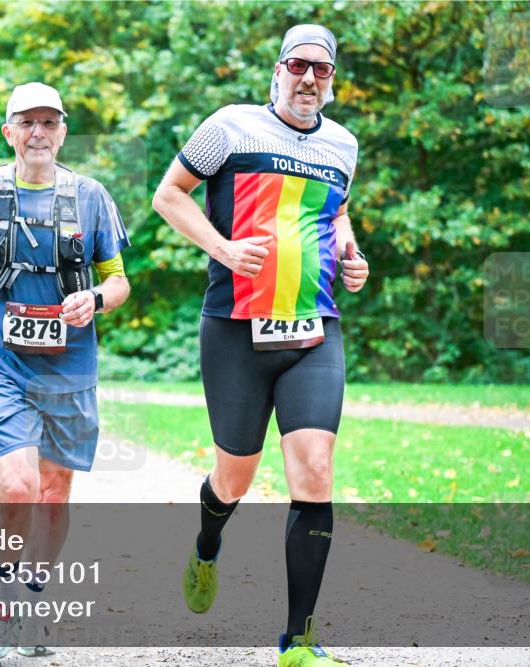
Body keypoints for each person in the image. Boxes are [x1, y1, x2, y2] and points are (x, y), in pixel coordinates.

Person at [152, 24, 369, 667]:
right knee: (235, 476)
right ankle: (208, 543)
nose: (309, 79)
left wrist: (350, 252)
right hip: (236, 331)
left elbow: (336, 212)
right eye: (298, 66)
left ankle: (298, 639)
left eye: (321, 70)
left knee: (315, 472)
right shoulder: (230, 127)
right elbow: (169, 195)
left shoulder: (343, 144)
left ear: (331, 80)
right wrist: (222, 248)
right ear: (278, 70)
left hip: (313, 330)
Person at [0, 82, 131, 658]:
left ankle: (35, 602)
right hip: (3, 368)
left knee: (53, 492)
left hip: (71, 369)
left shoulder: (91, 196)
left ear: (63, 131)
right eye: (27, 122)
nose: (38, 132)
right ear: (8, 131)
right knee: (17, 485)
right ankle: (1, 604)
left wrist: (95, 297)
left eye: (50, 122)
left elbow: (118, 281)